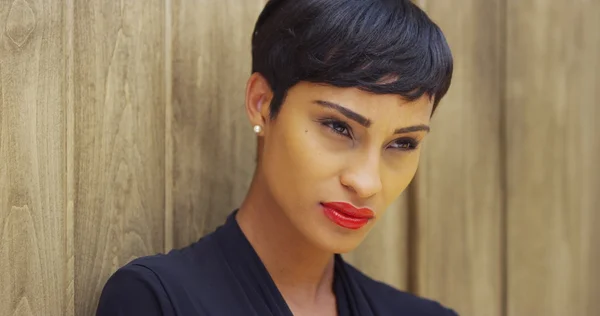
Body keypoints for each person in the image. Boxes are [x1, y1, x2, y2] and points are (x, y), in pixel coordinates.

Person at [96, 0, 455, 315]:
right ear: (262, 104)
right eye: (338, 127)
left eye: (403, 144)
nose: (366, 182)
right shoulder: (157, 301)